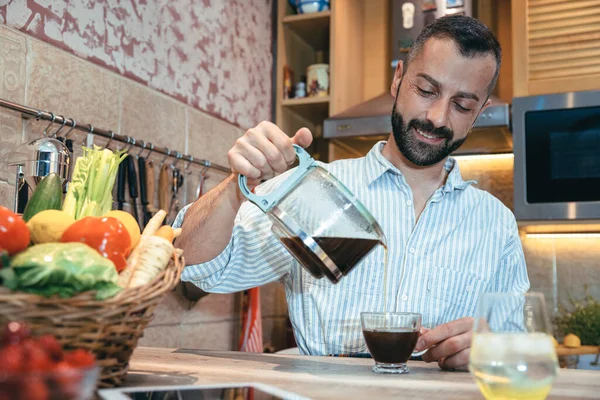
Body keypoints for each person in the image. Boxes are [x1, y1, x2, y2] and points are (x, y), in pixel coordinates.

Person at [174, 15, 529, 371]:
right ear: (398, 78)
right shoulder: (314, 191)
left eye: (462, 105)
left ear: (480, 112)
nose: (437, 117)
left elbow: (517, 351)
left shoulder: (494, 224)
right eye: (426, 91)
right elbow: (192, 267)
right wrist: (237, 187)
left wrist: (494, 349)